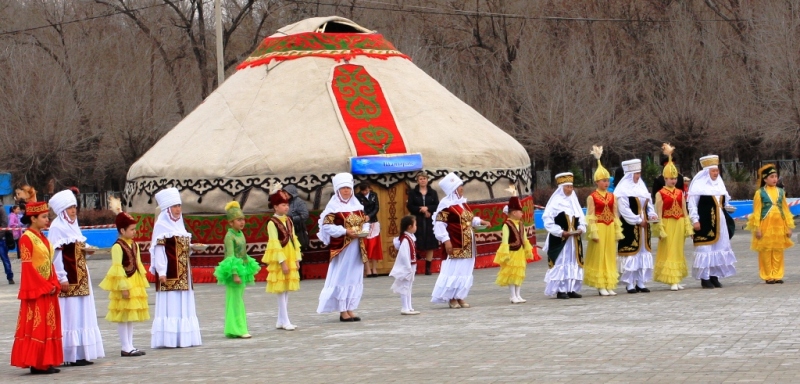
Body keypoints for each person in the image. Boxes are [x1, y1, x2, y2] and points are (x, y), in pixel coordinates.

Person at [49, 190, 105, 366]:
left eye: (74, 207)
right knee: (70, 314)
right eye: (70, 207)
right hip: (68, 276)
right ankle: (68, 354)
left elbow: (78, 245)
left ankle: (81, 353)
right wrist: (61, 277)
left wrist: (88, 249)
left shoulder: (74, 224)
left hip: (81, 275)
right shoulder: (57, 227)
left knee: (82, 314)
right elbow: (56, 255)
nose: (74, 210)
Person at [10, 201, 63, 374]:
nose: (47, 220)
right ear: (33, 219)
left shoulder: (42, 237)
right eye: (44, 217)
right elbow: (27, 268)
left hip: (48, 287)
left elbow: (48, 261)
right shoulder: (26, 239)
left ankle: (46, 361)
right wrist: (44, 286)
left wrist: (54, 282)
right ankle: (37, 363)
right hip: (38, 289)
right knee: (37, 325)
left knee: (49, 324)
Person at [149, 188, 202, 348]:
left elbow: (181, 248)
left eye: (179, 206)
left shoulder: (180, 225)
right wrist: (162, 271)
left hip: (184, 272)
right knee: (171, 303)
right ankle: (170, 339)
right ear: (168, 209)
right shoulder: (161, 225)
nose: (178, 210)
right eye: (175, 206)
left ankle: (183, 337)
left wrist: (192, 247)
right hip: (170, 272)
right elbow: (158, 249)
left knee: (183, 303)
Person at [431, 172, 490, 308]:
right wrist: (446, 240)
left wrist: (481, 221)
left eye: (462, 186)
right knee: (454, 270)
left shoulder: (462, 204)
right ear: (453, 189)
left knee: (465, 270)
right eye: (459, 186)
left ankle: (459, 296)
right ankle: (451, 298)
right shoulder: (446, 205)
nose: (462, 188)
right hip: (456, 242)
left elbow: (469, 219)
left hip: (468, 244)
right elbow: (439, 224)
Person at [317, 173, 369, 322]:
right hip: (343, 247)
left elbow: (364, 221)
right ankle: (342, 310)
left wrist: (364, 231)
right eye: (343, 188)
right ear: (338, 190)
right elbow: (327, 226)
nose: (346, 191)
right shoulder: (333, 207)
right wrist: (345, 231)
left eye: (348, 188)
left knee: (354, 275)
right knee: (343, 275)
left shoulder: (357, 205)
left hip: (357, 246)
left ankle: (350, 307)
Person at [98, 212, 150, 356]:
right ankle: (125, 346)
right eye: (131, 229)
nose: (134, 232)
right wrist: (123, 287)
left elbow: (138, 262)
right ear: (122, 230)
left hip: (134, 281)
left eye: (134, 229)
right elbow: (117, 267)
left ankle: (130, 344)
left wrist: (142, 281)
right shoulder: (117, 246)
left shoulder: (135, 245)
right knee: (123, 315)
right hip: (123, 281)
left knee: (130, 315)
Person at [688, 155, 737, 289]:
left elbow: (723, 202)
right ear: (706, 172)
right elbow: (692, 204)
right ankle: (705, 278)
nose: (716, 173)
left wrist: (728, 208)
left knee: (718, 247)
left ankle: (714, 276)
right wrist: (694, 220)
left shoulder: (719, 185)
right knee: (705, 248)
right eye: (713, 171)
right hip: (705, 222)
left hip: (720, 223)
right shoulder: (698, 186)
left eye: (717, 171)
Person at [214, 201, 260, 337]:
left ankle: (234, 328)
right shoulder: (230, 236)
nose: (242, 222)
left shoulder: (240, 234)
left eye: (243, 220)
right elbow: (230, 256)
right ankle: (239, 329)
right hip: (234, 270)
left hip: (242, 269)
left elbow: (243, 253)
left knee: (238, 299)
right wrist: (235, 274)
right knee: (235, 300)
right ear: (231, 222)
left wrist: (246, 268)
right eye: (238, 220)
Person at [583, 146, 622, 296]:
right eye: (603, 181)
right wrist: (593, 232)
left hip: (610, 226)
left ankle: (609, 282)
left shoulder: (613, 196)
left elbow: (615, 214)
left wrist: (617, 230)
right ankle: (600, 285)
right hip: (599, 226)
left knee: (610, 255)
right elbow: (591, 215)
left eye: (607, 180)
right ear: (597, 182)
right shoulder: (592, 197)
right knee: (600, 255)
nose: (606, 183)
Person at [746, 164, 794, 284]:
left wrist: (788, 226)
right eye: (771, 177)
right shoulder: (760, 193)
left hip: (779, 225)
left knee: (778, 250)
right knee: (766, 250)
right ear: (765, 179)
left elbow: (785, 210)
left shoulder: (781, 192)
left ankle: (777, 274)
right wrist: (757, 228)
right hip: (765, 224)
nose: (774, 179)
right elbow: (757, 211)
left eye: (776, 176)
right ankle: (768, 275)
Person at [652, 144, 692, 291]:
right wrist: (660, 229)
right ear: (665, 178)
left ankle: (676, 278)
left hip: (680, 222)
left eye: (675, 178)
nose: (673, 181)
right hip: (668, 222)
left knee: (678, 250)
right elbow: (659, 212)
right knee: (669, 249)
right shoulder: (660, 193)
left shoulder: (680, 193)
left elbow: (684, 210)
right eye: (670, 179)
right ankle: (671, 279)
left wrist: (688, 226)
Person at [615, 159, 658, 294]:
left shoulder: (642, 187)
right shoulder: (622, 191)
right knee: (631, 253)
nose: (638, 176)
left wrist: (652, 215)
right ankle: (629, 283)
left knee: (643, 252)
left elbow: (648, 204)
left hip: (644, 227)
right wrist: (638, 220)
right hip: (630, 226)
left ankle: (640, 282)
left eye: (639, 173)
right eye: (636, 173)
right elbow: (624, 210)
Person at [263, 186, 302, 331]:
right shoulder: (272, 223)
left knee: (287, 289)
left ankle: (281, 320)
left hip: (290, 254)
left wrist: (297, 258)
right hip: (280, 257)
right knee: (281, 289)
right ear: (275, 206)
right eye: (283, 205)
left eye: (287, 205)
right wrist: (282, 261)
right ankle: (285, 320)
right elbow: (274, 243)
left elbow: (294, 239)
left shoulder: (289, 221)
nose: (286, 207)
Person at [543, 172, 586, 299]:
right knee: (561, 261)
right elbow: (548, 221)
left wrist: (581, 228)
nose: (569, 189)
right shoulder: (555, 203)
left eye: (571, 187)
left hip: (574, 239)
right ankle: (561, 289)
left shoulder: (574, 201)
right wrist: (560, 232)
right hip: (560, 239)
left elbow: (581, 219)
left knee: (573, 261)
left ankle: (571, 288)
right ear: (561, 188)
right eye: (567, 187)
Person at [494, 192, 535, 303]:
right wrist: (505, 253)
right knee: (511, 273)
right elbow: (505, 240)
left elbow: (524, 237)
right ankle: (512, 296)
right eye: (520, 211)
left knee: (519, 272)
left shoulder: (521, 224)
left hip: (520, 252)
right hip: (511, 252)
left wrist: (527, 248)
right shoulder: (507, 224)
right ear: (513, 212)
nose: (522, 213)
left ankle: (518, 294)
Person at [406, 171, 440, 275]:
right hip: (418, 220)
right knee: (416, 242)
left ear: (427, 180)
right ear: (417, 180)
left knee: (430, 243)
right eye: (420, 179)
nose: (423, 180)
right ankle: (414, 267)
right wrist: (421, 210)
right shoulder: (412, 193)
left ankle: (428, 268)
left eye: (424, 179)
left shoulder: (433, 192)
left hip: (430, 220)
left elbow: (437, 205)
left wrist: (428, 208)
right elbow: (410, 206)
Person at [390, 215, 420, 315]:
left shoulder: (410, 237)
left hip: (411, 265)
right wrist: (408, 267)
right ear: (409, 227)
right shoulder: (406, 239)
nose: (416, 227)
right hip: (407, 266)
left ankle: (409, 306)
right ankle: (404, 307)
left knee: (409, 286)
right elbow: (404, 254)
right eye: (415, 225)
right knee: (405, 286)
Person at [356, 181, 382, 277]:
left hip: (373, 221)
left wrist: (370, 216)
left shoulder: (374, 195)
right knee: (365, 246)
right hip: (363, 222)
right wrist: (364, 216)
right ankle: (367, 269)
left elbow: (376, 207)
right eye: (363, 191)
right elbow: (358, 208)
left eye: (366, 190)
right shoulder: (357, 196)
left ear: (369, 188)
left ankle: (374, 268)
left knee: (374, 245)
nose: (365, 192)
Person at [285, 184, 310, 280]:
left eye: (286, 193)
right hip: (287, 229)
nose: (285, 195)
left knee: (297, 251)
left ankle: (298, 274)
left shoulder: (299, 202)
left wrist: (291, 219)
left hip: (297, 230)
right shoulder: (285, 202)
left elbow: (305, 215)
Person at [0, 205, 13, 284]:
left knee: (5, 259)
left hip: (1, 239)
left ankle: (10, 277)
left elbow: (4, 223)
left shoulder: (1, 209)